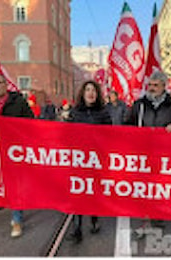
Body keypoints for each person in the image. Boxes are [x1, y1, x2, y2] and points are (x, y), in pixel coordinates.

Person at [125, 71, 171, 236]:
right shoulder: (139, 105)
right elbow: (126, 125)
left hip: (165, 155)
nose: (151, 88)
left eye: (155, 85)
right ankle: (145, 220)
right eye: (149, 85)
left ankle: (158, 215)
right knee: (145, 189)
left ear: (163, 86)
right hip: (143, 154)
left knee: (160, 188)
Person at [0, 73, 34, 238]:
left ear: (6, 84)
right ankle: (17, 210)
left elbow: (31, 122)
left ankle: (17, 219)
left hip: (15, 152)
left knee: (14, 185)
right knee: (4, 185)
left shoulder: (19, 101)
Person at [66, 80, 112, 243]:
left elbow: (110, 136)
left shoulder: (103, 113)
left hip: (96, 160)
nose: (91, 93)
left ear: (97, 94)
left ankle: (94, 218)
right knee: (77, 193)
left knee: (93, 191)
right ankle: (76, 228)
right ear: (83, 93)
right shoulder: (75, 112)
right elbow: (67, 135)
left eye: (93, 90)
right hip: (78, 159)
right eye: (87, 90)